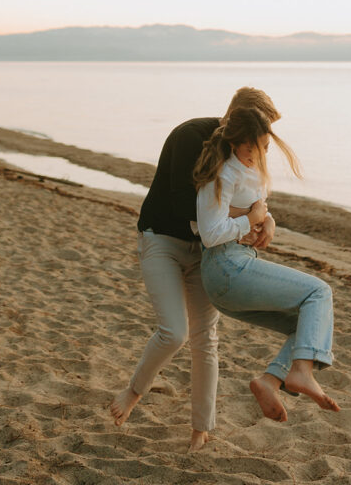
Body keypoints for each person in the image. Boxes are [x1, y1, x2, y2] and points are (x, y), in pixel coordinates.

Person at [110, 87, 281, 452]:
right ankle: (134, 391)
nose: (261, 147)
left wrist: (266, 220)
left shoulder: (245, 153)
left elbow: (251, 199)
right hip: (162, 241)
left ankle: (200, 431)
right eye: (259, 133)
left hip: (208, 249)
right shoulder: (190, 135)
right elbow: (184, 203)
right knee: (174, 333)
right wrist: (247, 217)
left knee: (206, 339)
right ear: (241, 120)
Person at [194, 106, 340, 422]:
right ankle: (301, 373)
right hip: (225, 268)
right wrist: (251, 219)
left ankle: (270, 381)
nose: (257, 153)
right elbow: (210, 233)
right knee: (319, 292)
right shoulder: (223, 174)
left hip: (238, 266)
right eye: (251, 147)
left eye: (264, 147)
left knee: (304, 326)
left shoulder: (252, 172)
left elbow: (259, 210)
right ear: (234, 142)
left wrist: (267, 221)